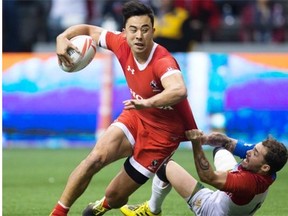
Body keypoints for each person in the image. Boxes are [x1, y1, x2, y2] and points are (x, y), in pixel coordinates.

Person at [50, 1, 198, 216]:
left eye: (145, 30)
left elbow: (179, 90)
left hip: (162, 136)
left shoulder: (163, 61)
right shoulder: (119, 42)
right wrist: (62, 37)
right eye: (134, 30)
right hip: (135, 117)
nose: (139, 36)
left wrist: (147, 102)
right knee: (95, 159)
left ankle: (105, 204)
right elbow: (89, 30)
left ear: (153, 32)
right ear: (124, 32)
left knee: (115, 196)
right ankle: (58, 213)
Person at [120, 129, 288, 216]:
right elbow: (228, 142)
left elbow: (207, 176)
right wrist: (208, 139)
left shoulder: (247, 183)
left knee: (165, 165)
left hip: (212, 209)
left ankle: (151, 210)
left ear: (264, 167)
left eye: (255, 153)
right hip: (230, 201)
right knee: (221, 148)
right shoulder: (268, 169)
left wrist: (196, 143)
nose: (250, 152)